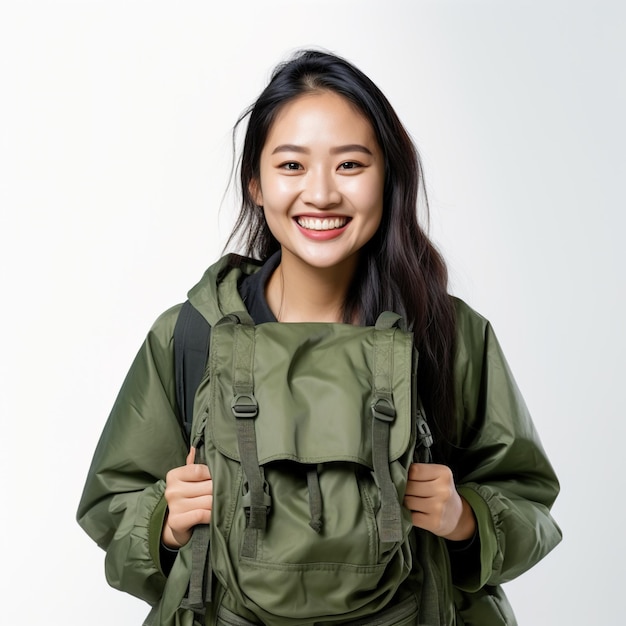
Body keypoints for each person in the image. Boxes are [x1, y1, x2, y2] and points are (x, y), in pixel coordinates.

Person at [77, 49, 561, 625]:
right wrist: (166, 519)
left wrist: (466, 518)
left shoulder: (446, 333)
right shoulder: (192, 335)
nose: (323, 194)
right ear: (255, 183)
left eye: (351, 165)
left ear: (389, 177)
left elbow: (528, 497)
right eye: (292, 166)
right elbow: (114, 503)